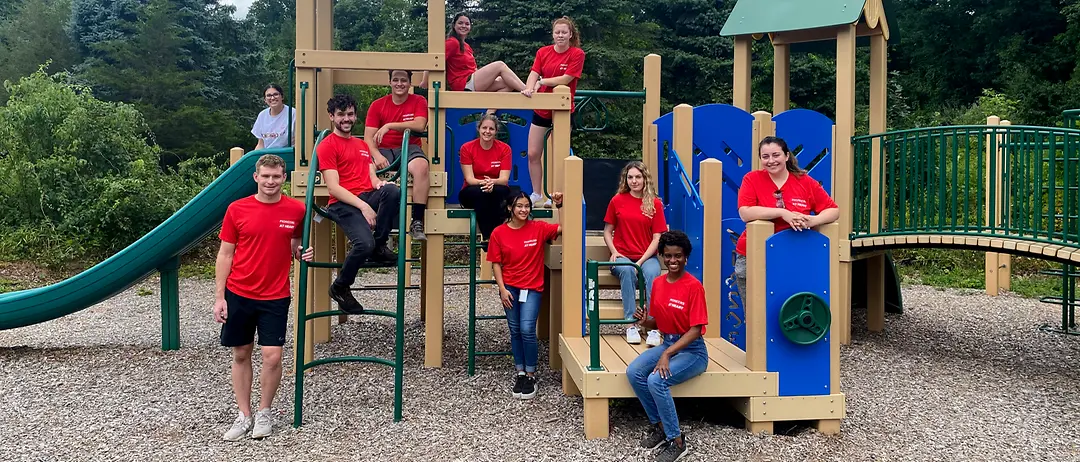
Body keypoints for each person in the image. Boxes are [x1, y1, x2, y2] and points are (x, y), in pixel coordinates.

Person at [213, 154, 313, 441]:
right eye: (265, 176)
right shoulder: (237, 209)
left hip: (275, 294)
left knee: (272, 356)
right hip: (239, 292)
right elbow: (225, 254)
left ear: (284, 178)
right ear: (256, 177)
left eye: (276, 176)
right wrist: (220, 297)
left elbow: (295, 245)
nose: (271, 181)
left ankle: (264, 411)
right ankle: (244, 414)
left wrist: (301, 253)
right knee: (241, 353)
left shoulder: (296, 209)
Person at [626, 230, 708, 462]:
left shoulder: (693, 286)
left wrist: (667, 354)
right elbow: (658, 321)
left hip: (692, 351)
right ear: (661, 256)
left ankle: (677, 441)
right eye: (668, 256)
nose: (673, 261)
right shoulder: (659, 283)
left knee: (656, 380)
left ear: (686, 257)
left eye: (678, 256)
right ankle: (661, 426)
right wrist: (645, 321)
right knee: (634, 373)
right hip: (669, 342)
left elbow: (696, 329)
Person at [321, 93, 403, 314]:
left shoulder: (361, 145)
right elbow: (333, 188)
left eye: (350, 114)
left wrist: (379, 184)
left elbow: (371, 176)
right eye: (340, 115)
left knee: (393, 190)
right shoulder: (327, 145)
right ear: (331, 117)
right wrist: (364, 207)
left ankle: (379, 244)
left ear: (355, 116)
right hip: (342, 202)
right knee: (362, 244)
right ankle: (340, 286)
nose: (346, 119)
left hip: (366, 194)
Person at [733, 136, 839, 301]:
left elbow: (833, 210)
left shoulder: (804, 182)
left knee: (789, 304)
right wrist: (782, 213)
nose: (771, 161)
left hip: (795, 254)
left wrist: (813, 220)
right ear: (760, 159)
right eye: (765, 156)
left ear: (786, 156)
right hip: (754, 253)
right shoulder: (752, 179)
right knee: (757, 309)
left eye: (776, 155)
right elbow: (745, 213)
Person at [487, 190, 565, 400]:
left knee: (527, 328)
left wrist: (560, 206)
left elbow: (564, 228)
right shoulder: (499, 233)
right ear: (510, 208)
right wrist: (502, 289)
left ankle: (530, 374)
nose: (524, 210)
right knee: (514, 330)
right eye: (519, 206)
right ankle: (520, 372)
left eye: (527, 206)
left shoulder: (538, 228)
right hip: (510, 288)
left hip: (531, 288)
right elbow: (496, 262)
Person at [522, 16, 585, 207]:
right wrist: (529, 87)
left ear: (570, 34)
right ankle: (536, 193)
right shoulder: (543, 52)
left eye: (564, 32)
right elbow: (534, 72)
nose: (560, 35)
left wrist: (543, 81)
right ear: (553, 34)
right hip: (542, 109)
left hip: (562, 110)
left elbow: (566, 79)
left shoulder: (577, 54)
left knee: (560, 154)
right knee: (533, 153)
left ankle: (555, 195)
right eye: (557, 32)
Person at [603, 161, 667, 345]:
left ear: (644, 179)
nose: (634, 181)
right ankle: (631, 324)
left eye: (638, 177)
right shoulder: (617, 200)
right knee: (627, 270)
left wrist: (640, 261)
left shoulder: (654, 203)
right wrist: (614, 252)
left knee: (653, 274)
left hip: (646, 256)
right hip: (622, 254)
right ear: (625, 179)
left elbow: (657, 238)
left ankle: (654, 327)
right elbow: (607, 231)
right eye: (630, 177)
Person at [365, 70, 430, 241]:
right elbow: (368, 137)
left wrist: (390, 125)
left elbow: (420, 124)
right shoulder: (378, 105)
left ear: (410, 83)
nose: (399, 84)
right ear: (390, 82)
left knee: (422, 167)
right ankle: (365, 217)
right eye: (395, 80)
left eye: (403, 80)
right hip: (384, 149)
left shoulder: (419, 101)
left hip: (409, 147)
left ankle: (417, 220)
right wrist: (377, 155)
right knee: (365, 165)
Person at [459, 113, 514, 243]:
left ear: (496, 131)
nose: (487, 132)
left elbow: (504, 179)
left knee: (500, 192)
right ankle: (491, 236)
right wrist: (486, 184)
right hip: (473, 188)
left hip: (496, 188)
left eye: (491, 129)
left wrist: (492, 183)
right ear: (479, 129)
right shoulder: (467, 148)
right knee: (482, 194)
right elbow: (470, 179)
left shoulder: (504, 149)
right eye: (484, 128)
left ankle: (492, 238)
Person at [440, 12, 528, 93]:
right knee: (500, 65)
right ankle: (529, 91)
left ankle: (490, 110)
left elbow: (472, 68)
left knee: (507, 82)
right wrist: (426, 80)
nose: (464, 26)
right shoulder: (452, 42)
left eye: (467, 24)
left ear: (470, 27)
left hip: (472, 81)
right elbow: (437, 60)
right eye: (460, 23)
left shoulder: (466, 46)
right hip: (463, 84)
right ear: (454, 25)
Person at [252, 84, 295, 150]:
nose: (272, 98)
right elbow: (261, 144)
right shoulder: (262, 115)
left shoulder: (293, 113)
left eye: (276, 94)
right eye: (269, 95)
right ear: (265, 100)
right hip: (267, 157)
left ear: (282, 97)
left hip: (287, 154)